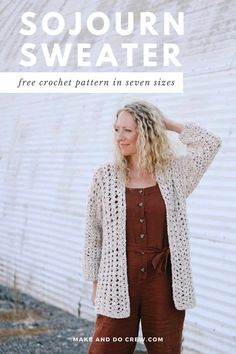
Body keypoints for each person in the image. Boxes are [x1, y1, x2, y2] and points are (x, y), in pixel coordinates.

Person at [83, 100, 222, 354]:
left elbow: (210, 143)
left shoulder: (174, 174)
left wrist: (166, 123)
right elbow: (94, 231)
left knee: (166, 350)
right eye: (117, 129)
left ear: (146, 132)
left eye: (127, 130)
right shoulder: (105, 176)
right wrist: (95, 282)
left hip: (164, 282)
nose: (119, 137)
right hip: (117, 278)